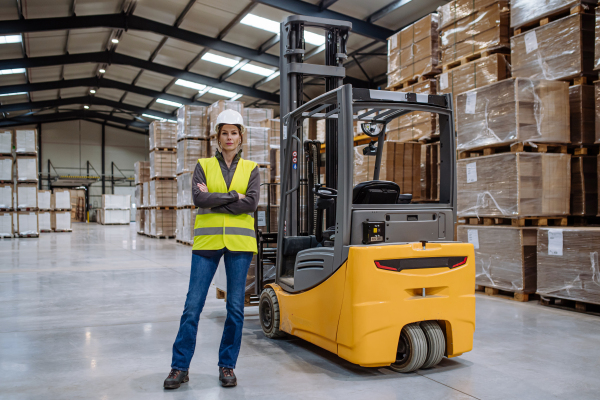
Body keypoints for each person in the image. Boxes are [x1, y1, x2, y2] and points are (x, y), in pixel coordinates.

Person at [164, 109, 260, 389]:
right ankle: (179, 367)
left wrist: (215, 199)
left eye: (234, 132)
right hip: (207, 244)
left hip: (240, 245)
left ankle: (227, 366)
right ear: (217, 137)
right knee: (192, 306)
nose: (229, 137)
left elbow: (251, 203)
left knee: (235, 309)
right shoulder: (203, 164)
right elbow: (198, 198)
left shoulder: (251, 168)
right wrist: (233, 196)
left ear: (241, 136)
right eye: (224, 132)